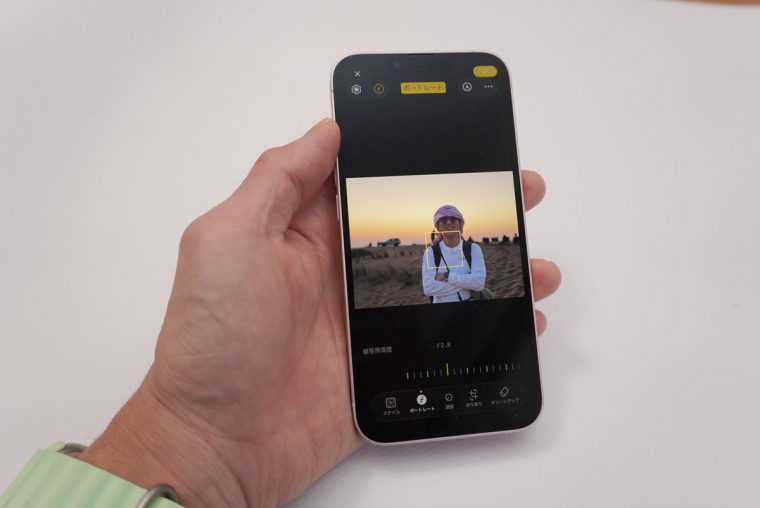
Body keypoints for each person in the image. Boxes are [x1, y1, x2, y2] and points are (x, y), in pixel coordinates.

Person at [0, 119, 561, 508]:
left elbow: (472, 283)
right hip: (445, 315)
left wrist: (181, 442)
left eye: (456, 222)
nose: (451, 229)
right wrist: (187, 432)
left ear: (463, 224)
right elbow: (437, 286)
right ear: (436, 227)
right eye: (444, 224)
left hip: (454, 319)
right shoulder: (433, 254)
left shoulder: (469, 251)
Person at [422, 205, 486, 303]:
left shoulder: (473, 249)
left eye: (453, 219)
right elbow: (428, 288)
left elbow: (479, 283)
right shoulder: (430, 253)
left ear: (460, 224)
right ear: (437, 226)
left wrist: (447, 276)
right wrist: (467, 282)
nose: (448, 222)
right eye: (443, 219)